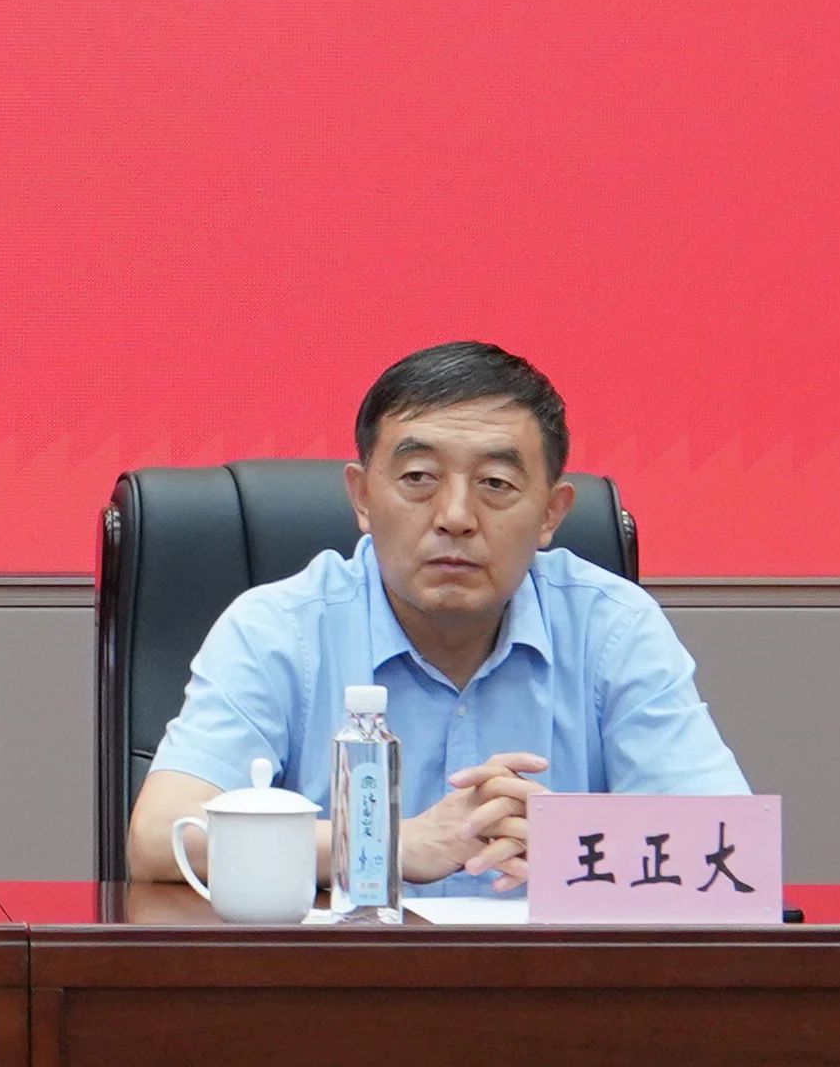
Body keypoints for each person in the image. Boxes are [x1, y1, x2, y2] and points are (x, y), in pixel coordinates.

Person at [126, 340, 743, 899]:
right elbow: (158, 838)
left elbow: (730, 847)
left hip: (555, 984)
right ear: (363, 497)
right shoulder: (279, 631)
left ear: (551, 513)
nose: (456, 516)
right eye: (418, 478)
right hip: (339, 982)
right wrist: (386, 846)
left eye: (496, 483)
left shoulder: (612, 628)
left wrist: (574, 843)